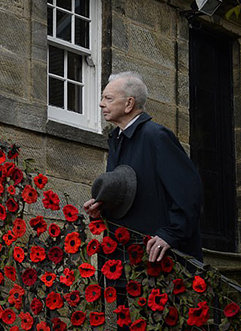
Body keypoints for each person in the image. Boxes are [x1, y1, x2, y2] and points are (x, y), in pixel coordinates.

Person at [83, 71, 203, 262]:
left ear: (129, 103)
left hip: (157, 262)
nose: (101, 103)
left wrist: (171, 234)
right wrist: (102, 208)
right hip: (123, 258)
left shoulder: (156, 136)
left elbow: (188, 190)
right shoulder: (117, 138)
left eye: (108, 98)